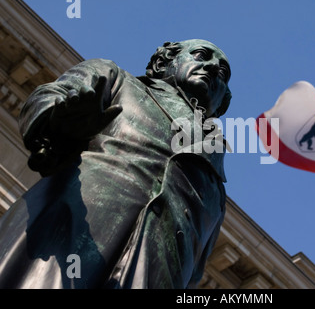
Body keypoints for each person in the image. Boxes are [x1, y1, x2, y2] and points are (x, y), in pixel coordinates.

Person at [0, 39, 232, 289]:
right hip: (74, 228)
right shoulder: (116, 78)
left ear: (221, 103)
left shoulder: (216, 184)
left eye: (221, 73)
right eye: (200, 55)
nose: (210, 68)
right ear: (164, 61)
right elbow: (48, 98)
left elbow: (194, 271)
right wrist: (57, 122)